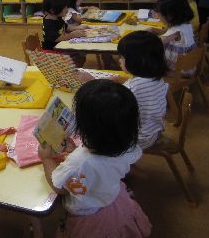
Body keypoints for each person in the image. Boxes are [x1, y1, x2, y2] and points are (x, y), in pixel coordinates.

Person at [38, 79, 151, 238]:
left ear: (85, 127)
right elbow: (98, 167)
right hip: (110, 195)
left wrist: (47, 159)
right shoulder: (129, 146)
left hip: (88, 213)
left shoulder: (80, 162)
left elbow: (63, 188)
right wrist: (77, 151)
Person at [118, 31, 169, 149]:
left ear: (137, 61)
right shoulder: (156, 77)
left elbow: (117, 112)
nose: (119, 60)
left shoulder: (133, 88)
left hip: (138, 140)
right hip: (154, 131)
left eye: (122, 57)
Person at [152, 0, 197, 75]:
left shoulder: (175, 32)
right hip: (189, 65)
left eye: (159, 15)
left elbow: (156, 43)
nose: (158, 18)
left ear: (170, 16)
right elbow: (165, 32)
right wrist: (153, 30)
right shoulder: (187, 25)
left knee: (148, 57)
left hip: (178, 70)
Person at [42, 0, 87, 66]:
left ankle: (75, 69)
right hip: (52, 52)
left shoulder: (57, 18)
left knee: (80, 55)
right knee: (78, 57)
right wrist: (72, 35)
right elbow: (57, 38)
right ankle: (72, 70)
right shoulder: (49, 23)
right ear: (53, 10)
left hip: (60, 47)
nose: (67, 10)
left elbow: (67, 27)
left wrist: (79, 27)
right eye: (64, 8)